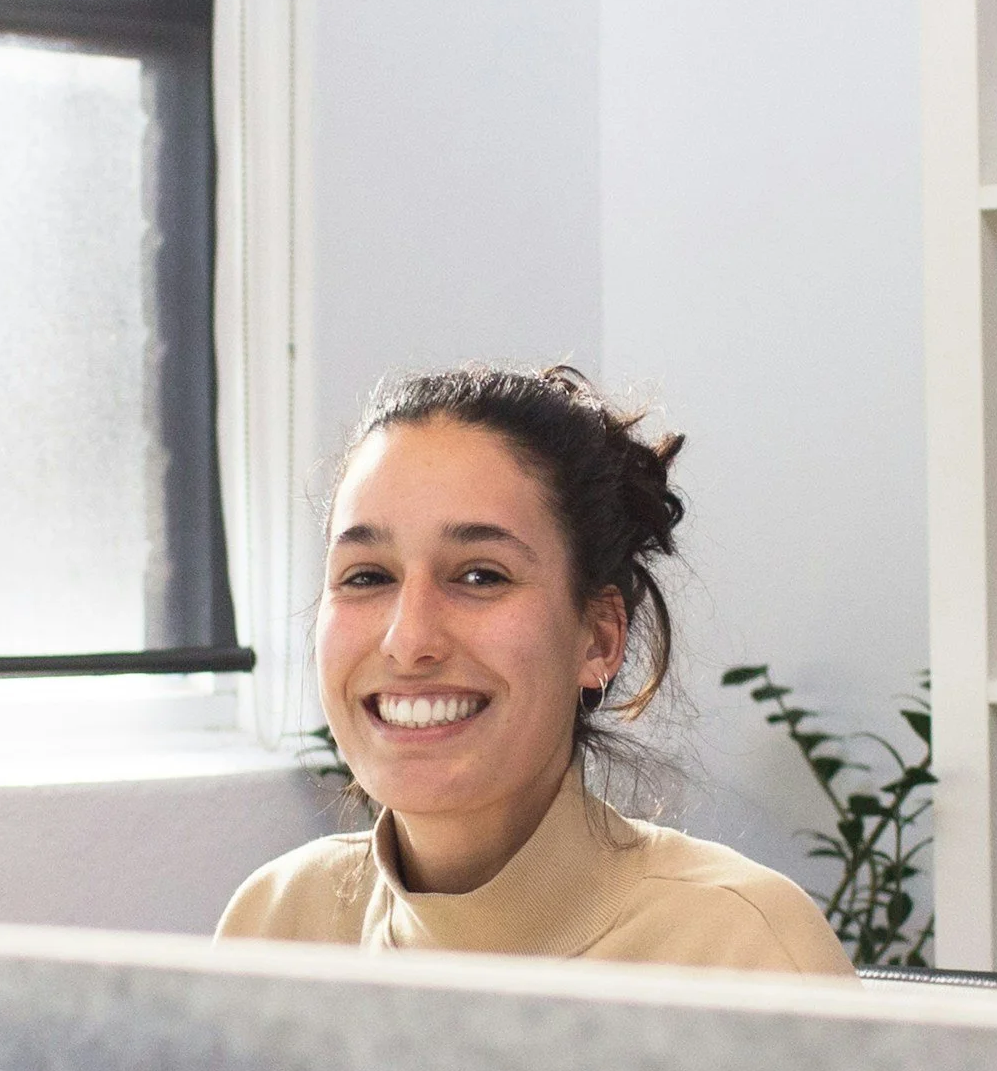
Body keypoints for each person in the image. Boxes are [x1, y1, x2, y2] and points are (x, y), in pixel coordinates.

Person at [217, 364, 851, 974]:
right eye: (367, 576)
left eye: (480, 576)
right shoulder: (276, 924)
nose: (407, 641)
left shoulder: (743, 951)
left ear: (600, 639)